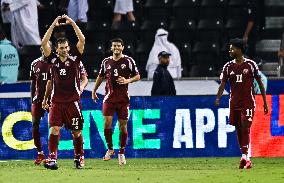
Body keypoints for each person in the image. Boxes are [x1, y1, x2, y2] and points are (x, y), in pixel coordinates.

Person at [41, 15, 87, 170]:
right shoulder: (52, 60)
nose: (65, 50)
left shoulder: (75, 58)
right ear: (56, 49)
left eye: (67, 47)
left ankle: (79, 157)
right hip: (56, 102)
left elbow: (82, 40)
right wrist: (54, 24)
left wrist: (72, 23)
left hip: (73, 102)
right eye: (61, 48)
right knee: (54, 129)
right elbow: (43, 43)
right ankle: (52, 159)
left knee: (76, 132)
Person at [214, 38, 268, 169]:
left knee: (245, 126)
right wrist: (218, 98)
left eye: (232, 48)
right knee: (238, 128)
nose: (230, 50)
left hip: (248, 102)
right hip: (234, 103)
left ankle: (245, 157)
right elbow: (222, 84)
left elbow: (260, 83)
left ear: (239, 50)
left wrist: (265, 101)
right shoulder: (228, 67)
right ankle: (245, 157)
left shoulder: (251, 65)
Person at [92, 38, 140, 165]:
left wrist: (127, 80)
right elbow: (100, 76)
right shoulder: (106, 61)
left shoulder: (128, 61)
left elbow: (138, 76)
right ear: (111, 47)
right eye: (114, 46)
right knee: (107, 123)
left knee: (122, 126)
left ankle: (122, 153)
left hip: (123, 100)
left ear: (122, 47)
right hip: (109, 98)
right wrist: (94, 90)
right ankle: (110, 149)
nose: (116, 48)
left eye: (119, 46)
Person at [30, 46, 51, 165]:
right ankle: (40, 153)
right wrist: (32, 99)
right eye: (44, 47)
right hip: (37, 100)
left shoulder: (55, 63)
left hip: (52, 100)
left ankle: (53, 154)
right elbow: (33, 83)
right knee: (35, 125)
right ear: (41, 49)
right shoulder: (35, 63)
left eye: (48, 47)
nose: (45, 50)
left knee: (55, 126)